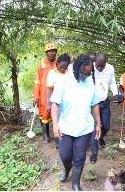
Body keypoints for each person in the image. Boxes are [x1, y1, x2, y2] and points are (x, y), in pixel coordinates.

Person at [50, 54, 101, 191]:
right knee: (65, 155)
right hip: (66, 127)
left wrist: (98, 124)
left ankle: (75, 184)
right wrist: (55, 124)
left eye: (90, 74)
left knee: (79, 157)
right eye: (85, 73)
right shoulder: (64, 81)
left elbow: (94, 104)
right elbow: (54, 104)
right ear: (78, 68)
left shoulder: (90, 82)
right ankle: (67, 168)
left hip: (84, 128)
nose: (87, 76)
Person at [90, 53, 118, 164]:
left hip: (105, 102)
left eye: (102, 66)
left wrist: (115, 94)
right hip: (93, 103)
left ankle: (100, 138)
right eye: (98, 66)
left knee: (106, 126)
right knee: (94, 129)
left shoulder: (110, 68)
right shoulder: (90, 67)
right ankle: (94, 153)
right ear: (95, 62)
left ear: (106, 62)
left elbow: (112, 82)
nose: (100, 68)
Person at [33, 42, 57, 143]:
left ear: (55, 52)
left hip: (57, 91)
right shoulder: (41, 64)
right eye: (49, 51)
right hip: (44, 93)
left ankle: (58, 134)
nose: (51, 53)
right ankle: (46, 135)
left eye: (53, 51)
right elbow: (37, 81)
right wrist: (35, 96)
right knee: (44, 114)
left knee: (58, 113)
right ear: (46, 53)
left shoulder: (59, 62)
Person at [46, 54, 71, 150]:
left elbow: (82, 61)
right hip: (56, 103)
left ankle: (67, 141)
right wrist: (48, 104)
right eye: (62, 67)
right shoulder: (52, 73)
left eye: (66, 67)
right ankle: (58, 143)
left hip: (68, 102)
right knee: (57, 123)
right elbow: (48, 89)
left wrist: (72, 57)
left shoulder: (70, 71)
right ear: (57, 64)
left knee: (67, 122)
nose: (63, 69)